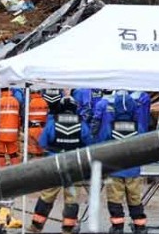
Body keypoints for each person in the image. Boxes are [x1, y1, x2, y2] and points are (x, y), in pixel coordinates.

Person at [29, 95, 91, 234]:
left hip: (55, 165)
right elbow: (88, 143)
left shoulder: (52, 123)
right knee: (72, 198)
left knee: (47, 196)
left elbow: (42, 142)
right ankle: (67, 229)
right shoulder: (81, 124)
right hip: (75, 165)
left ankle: (36, 227)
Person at [96, 90, 151, 234]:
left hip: (115, 170)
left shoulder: (110, 127)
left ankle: (117, 228)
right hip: (133, 171)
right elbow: (145, 145)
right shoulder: (139, 128)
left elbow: (100, 144)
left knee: (115, 200)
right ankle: (140, 227)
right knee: (135, 199)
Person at [0, 87, 23, 168]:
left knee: (0, 153)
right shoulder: (16, 101)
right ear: (10, 90)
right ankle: (16, 171)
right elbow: (21, 116)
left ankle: (1, 172)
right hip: (13, 133)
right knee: (13, 154)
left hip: (0, 132)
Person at [27, 89, 49, 158]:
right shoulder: (45, 102)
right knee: (41, 151)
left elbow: (25, 115)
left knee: (32, 151)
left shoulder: (30, 102)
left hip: (32, 129)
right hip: (43, 129)